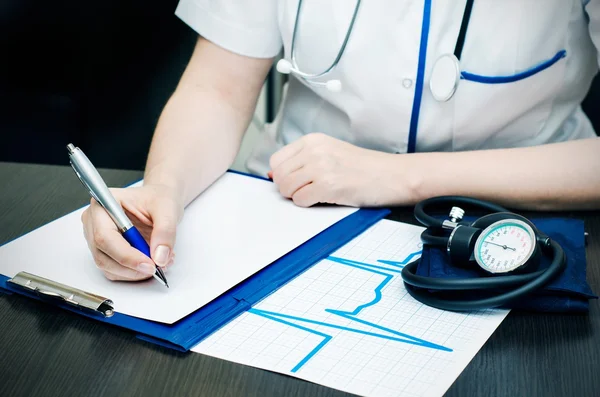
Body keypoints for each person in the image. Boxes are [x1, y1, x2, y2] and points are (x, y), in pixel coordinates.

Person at [81, 0, 600, 282]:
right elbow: (216, 88)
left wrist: (399, 178)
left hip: (517, 220)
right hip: (295, 208)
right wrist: (164, 188)